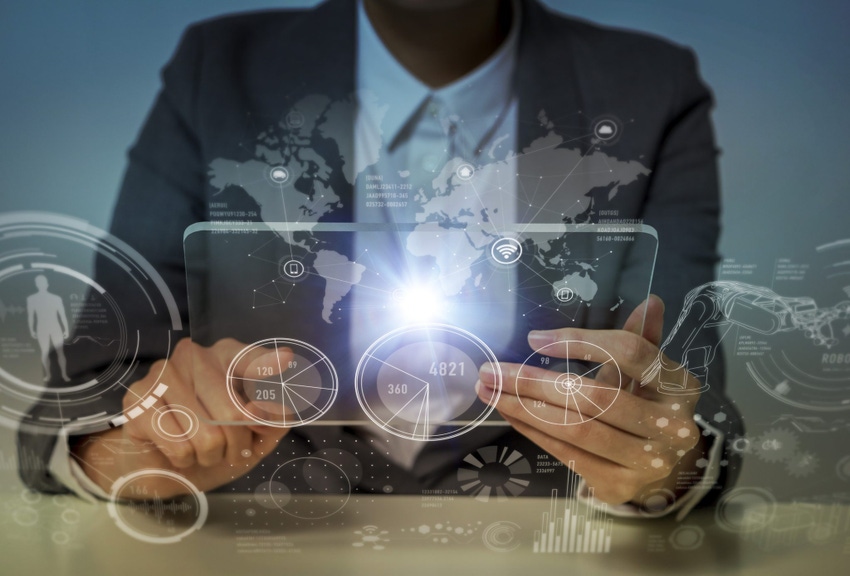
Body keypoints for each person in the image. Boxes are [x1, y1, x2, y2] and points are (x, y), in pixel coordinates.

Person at [19, 0, 741, 518]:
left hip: (541, 543)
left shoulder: (652, 86)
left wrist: (665, 467)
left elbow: (689, 402)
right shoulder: (218, 68)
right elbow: (77, 405)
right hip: (261, 550)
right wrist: (137, 457)